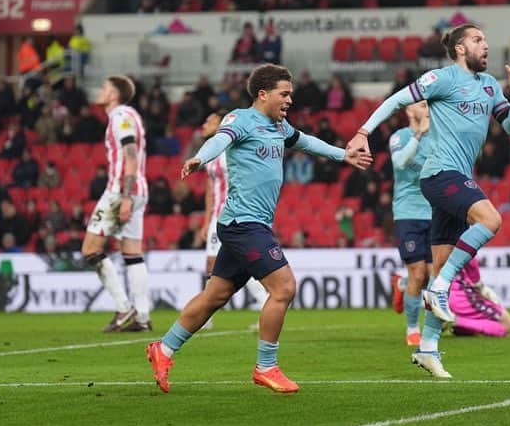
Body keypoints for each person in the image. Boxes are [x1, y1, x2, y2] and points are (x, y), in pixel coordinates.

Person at [146, 64, 372, 394]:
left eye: (291, 94)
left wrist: (343, 155)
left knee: (215, 296)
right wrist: (199, 158)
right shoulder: (240, 119)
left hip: (250, 224)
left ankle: (163, 349)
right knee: (284, 288)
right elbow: (219, 141)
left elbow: (305, 141)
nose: (290, 100)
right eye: (284, 94)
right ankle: (266, 366)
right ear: (263, 94)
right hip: (243, 224)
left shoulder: (279, 126)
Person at [345, 24, 510, 378]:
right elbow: (397, 99)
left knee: (441, 268)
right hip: (439, 175)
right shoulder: (440, 79)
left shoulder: (490, 86)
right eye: (477, 40)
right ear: (460, 48)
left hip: (457, 178)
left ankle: (428, 348)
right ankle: (440, 290)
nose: (485, 46)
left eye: (486, 40)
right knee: (491, 220)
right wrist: (364, 132)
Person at [80, 75, 152, 333]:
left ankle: (124, 308)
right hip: (138, 188)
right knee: (133, 254)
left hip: (122, 189)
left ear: (114, 94)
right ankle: (142, 317)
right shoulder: (130, 115)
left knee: (90, 249)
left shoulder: (120, 115)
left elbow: (130, 154)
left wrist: (126, 196)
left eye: (104, 87)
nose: (100, 91)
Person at [197, 109, 266, 327]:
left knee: (231, 264)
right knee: (214, 263)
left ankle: (264, 303)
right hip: (217, 216)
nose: (204, 124)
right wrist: (207, 220)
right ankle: (207, 315)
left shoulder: (231, 149)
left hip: (233, 214)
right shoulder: (208, 152)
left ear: (220, 124)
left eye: (208, 120)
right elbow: (210, 189)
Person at [388, 101, 434, 347]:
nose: (427, 108)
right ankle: (413, 329)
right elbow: (401, 163)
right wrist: (418, 135)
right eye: (422, 105)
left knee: (429, 276)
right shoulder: (400, 136)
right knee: (418, 273)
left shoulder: (438, 137)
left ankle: (403, 285)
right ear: (409, 111)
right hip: (408, 213)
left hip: (435, 212)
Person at [449, 259, 510, 338]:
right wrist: (480, 286)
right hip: (460, 293)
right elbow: (471, 261)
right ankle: (452, 320)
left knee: (470, 330)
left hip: (442, 293)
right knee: (509, 328)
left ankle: (455, 321)